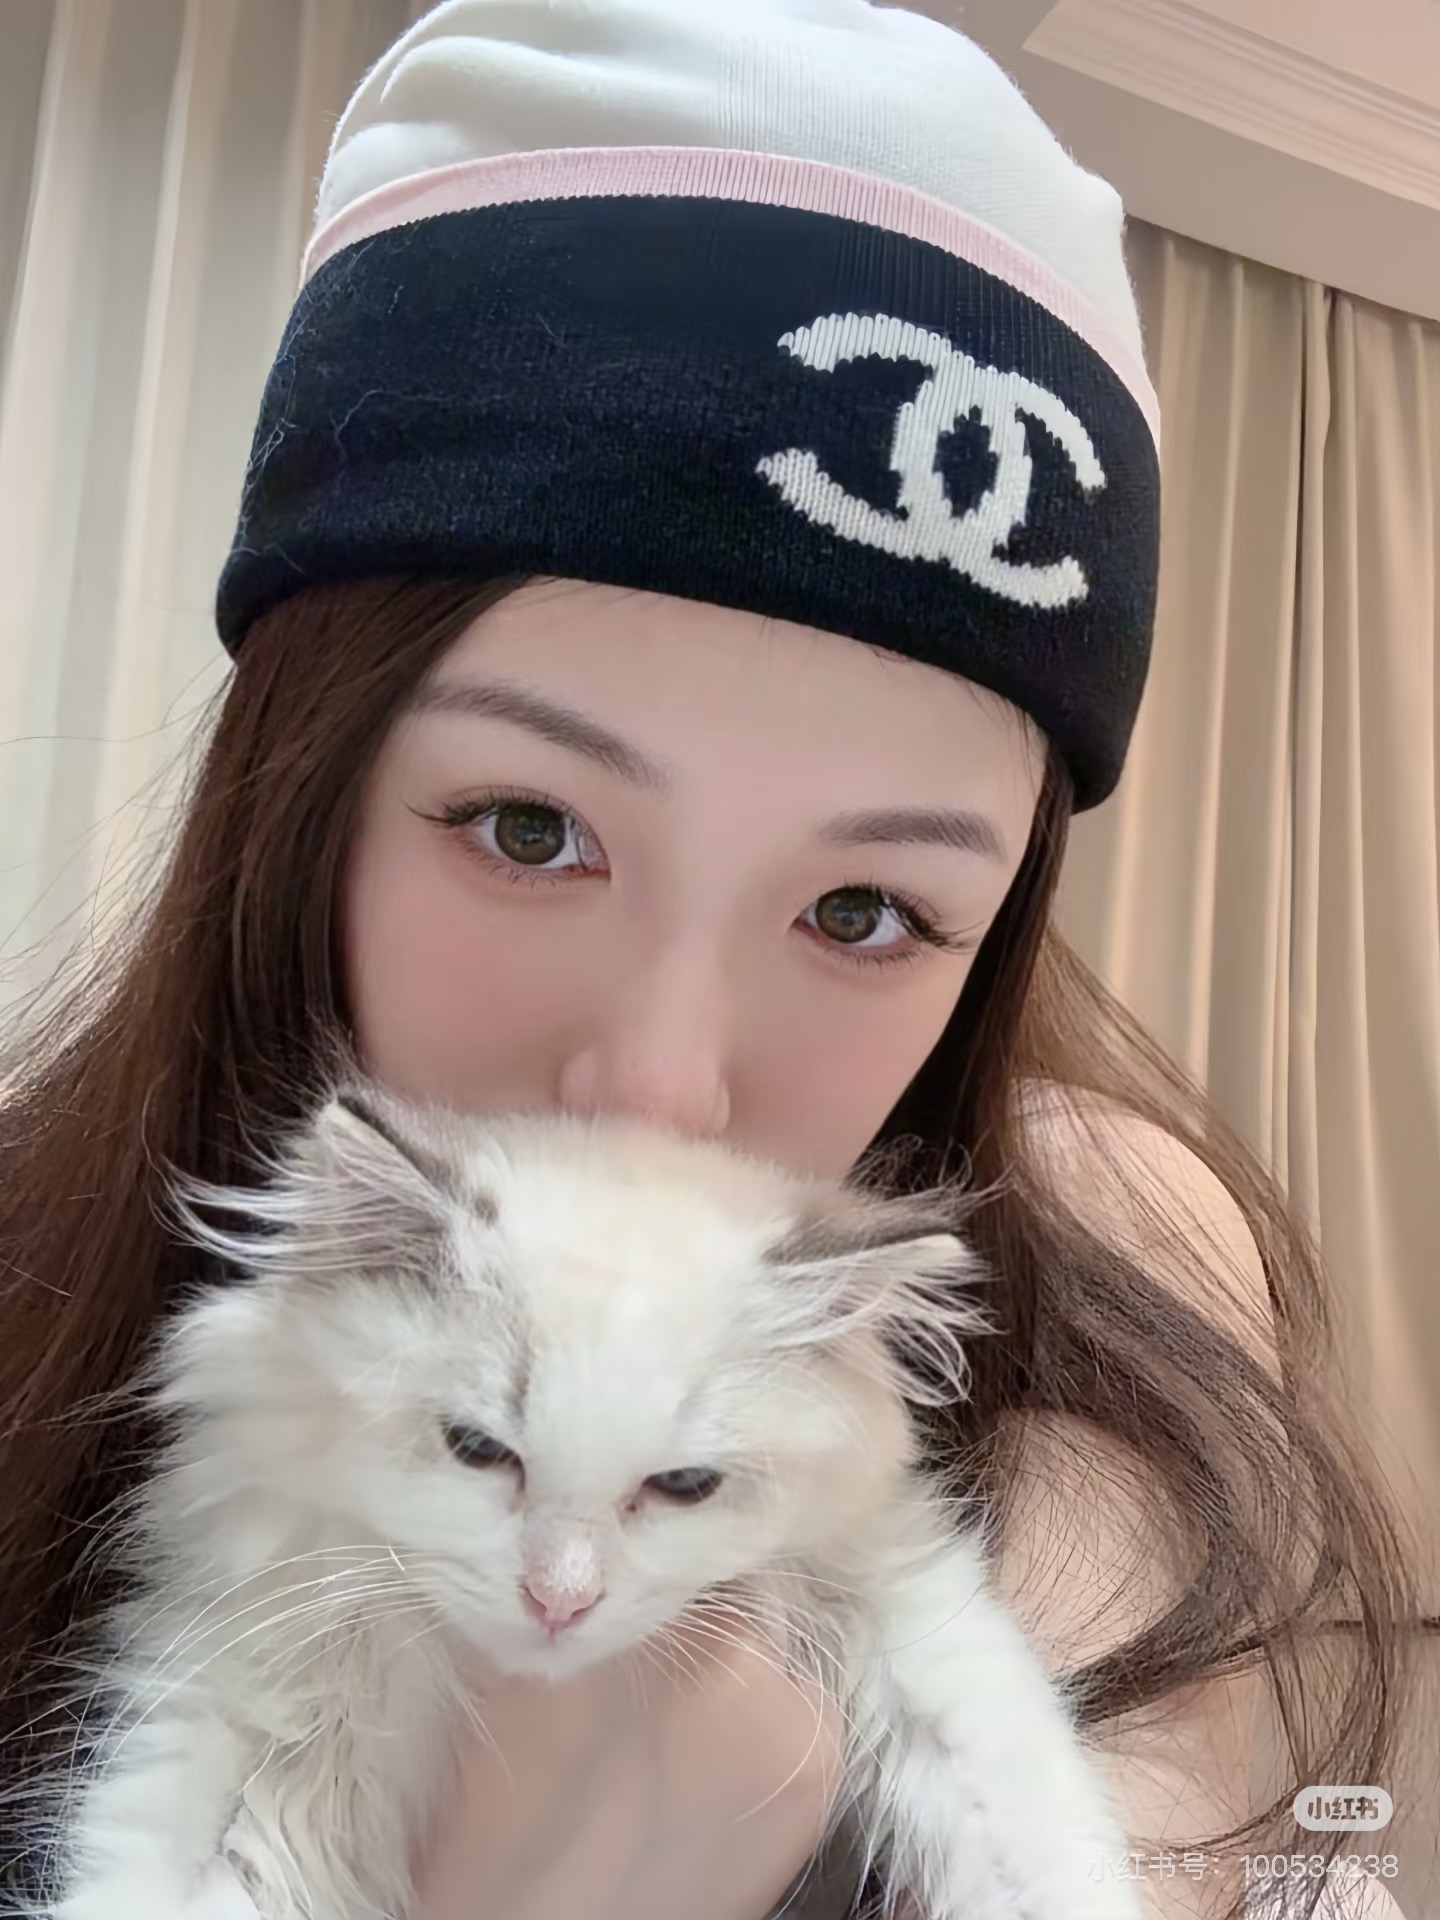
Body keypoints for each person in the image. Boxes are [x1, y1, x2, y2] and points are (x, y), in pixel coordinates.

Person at [0, 3, 1421, 1917]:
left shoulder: (1089, 1340)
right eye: (528, 829)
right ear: (302, 792)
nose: (667, 1089)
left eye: (864, 914)